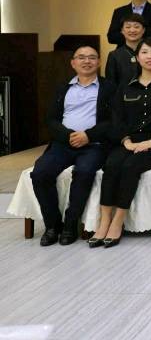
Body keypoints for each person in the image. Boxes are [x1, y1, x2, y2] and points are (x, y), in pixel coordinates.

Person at [90, 38, 151, 248]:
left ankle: (118, 221)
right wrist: (126, 141)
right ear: (137, 57)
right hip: (128, 140)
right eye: (144, 52)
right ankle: (104, 221)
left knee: (130, 166)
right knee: (112, 164)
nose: (149, 57)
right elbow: (116, 118)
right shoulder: (125, 86)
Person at [30, 46, 115, 246]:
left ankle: (70, 225)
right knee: (40, 173)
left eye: (92, 57)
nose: (87, 61)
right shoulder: (62, 88)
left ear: (99, 62)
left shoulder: (110, 88)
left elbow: (114, 121)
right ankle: (52, 226)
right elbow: (51, 119)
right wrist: (68, 135)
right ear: (73, 63)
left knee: (84, 172)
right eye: (81, 57)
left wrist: (88, 135)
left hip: (94, 144)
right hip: (63, 144)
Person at [105, 13, 146, 87]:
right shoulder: (114, 55)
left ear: (143, 30)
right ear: (122, 30)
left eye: (136, 27)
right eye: (128, 27)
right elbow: (111, 84)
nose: (132, 30)